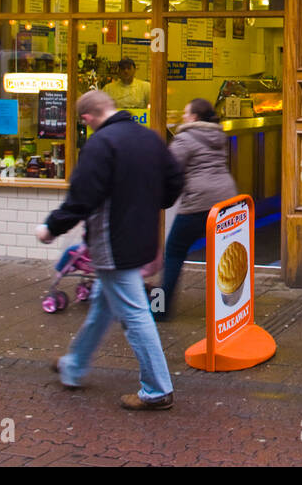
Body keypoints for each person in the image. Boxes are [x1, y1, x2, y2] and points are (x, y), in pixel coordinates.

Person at [36, 89, 184, 410]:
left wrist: (51, 227)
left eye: (84, 122)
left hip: (113, 245)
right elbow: (175, 180)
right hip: (139, 239)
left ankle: (157, 389)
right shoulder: (149, 138)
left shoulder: (100, 144)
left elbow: (82, 197)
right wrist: (149, 205)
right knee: (103, 307)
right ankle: (73, 366)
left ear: (88, 118)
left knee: (135, 315)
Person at [155, 98, 239, 320]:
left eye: (185, 113)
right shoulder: (218, 136)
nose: (183, 117)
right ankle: (231, 306)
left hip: (198, 202)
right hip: (225, 200)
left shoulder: (184, 138)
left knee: (173, 253)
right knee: (223, 254)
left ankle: (158, 309)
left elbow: (169, 170)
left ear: (193, 117)